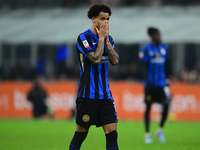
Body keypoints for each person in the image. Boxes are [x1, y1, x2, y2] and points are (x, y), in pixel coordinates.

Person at [69, 3, 119, 150]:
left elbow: (115, 61)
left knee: (112, 134)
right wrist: (101, 39)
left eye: (108, 19)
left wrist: (107, 41)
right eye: (102, 18)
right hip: (87, 94)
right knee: (81, 134)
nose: (106, 22)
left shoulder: (109, 39)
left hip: (105, 95)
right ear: (93, 19)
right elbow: (96, 59)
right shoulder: (83, 38)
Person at [139, 27, 172, 144]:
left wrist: (168, 78)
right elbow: (142, 67)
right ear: (152, 36)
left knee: (167, 103)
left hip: (162, 84)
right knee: (148, 107)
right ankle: (147, 134)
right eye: (158, 35)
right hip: (150, 85)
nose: (160, 37)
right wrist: (148, 81)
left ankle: (159, 130)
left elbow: (168, 64)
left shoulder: (165, 48)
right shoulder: (145, 49)